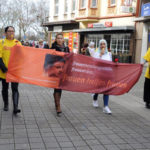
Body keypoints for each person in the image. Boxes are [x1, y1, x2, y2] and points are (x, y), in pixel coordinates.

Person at [0, 26, 21, 115]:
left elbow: (22, 56)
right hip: (4, 71)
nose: (11, 32)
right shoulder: (1, 42)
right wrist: (3, 67)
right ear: (5, 33)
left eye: (13, 31)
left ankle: (15, 107)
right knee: (5, 88)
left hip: (15, 71)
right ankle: (6, 104)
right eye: (9, 31)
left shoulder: (17, 43)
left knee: (15, 89)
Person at [50, 32, 69, 116]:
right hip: (55, 71)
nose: (60, 40)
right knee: (57, 88)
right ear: (56, 39)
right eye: (58, 38)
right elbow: (49, 59)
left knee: (60, 88)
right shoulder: (53, 48)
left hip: (63, 71)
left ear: (63, 39)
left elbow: (69, 58)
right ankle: (58, 107)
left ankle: (57, 102)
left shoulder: (66, 48)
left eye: (61, 38)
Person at [92, 39, 112, 114]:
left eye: (104, 44)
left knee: (107, 90)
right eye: (101, 44)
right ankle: (95, 99)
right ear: (99, 45)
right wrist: (100, 55)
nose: (102, 45)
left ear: (106, 45)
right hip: (99, 74)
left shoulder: (109, 54)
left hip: (107, 74)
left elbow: (111, 63)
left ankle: (106, 106)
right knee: (98, 89)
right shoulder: (96, 53)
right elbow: (95, 63)